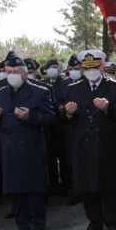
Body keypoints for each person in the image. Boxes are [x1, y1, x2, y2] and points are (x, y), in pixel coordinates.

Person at [62, 49, 116, 230]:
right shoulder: (73, 88)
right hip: (82, 146)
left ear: (102, 66)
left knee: (108, 186)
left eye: (95, 67)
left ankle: (113, 223)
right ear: (82, 68)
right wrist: (67, 113)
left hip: (105, 145)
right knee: (87, 186)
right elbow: (63, 118)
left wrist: (108, 108)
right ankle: (95, 223)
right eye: (87, 67)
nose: (91, 71)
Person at [0, 52, 55, 230]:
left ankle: (37, 226)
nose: (11, 75)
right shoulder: (0, 91)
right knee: (15, 190)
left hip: (31, 149)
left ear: (25, 73)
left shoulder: (40, 91)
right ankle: (22, 226)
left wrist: (30, 117)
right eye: (8, 71)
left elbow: (51, 118)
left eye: (15, 71)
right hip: (9, 149)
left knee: (33, 190)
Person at [41, 59, 71, 197]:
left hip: (63, 126)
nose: (53, 69)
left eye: (55, 67)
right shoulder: (42, 84)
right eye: (50, 67)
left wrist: (61, 107)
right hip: (48, 128)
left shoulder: (66, 83)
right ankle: (53, 187)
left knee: (65, 159)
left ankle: (68, 189)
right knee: (49, 159)